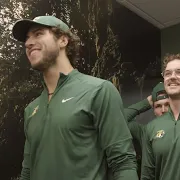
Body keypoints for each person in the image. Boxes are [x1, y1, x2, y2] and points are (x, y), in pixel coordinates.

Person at [12, 15, 138, 180]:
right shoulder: (31, 110)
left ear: (63, 40)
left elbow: (123, 162)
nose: (28, 43)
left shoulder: (99, 90)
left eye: (38, 34)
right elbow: (27, 171)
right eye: (27, 38)